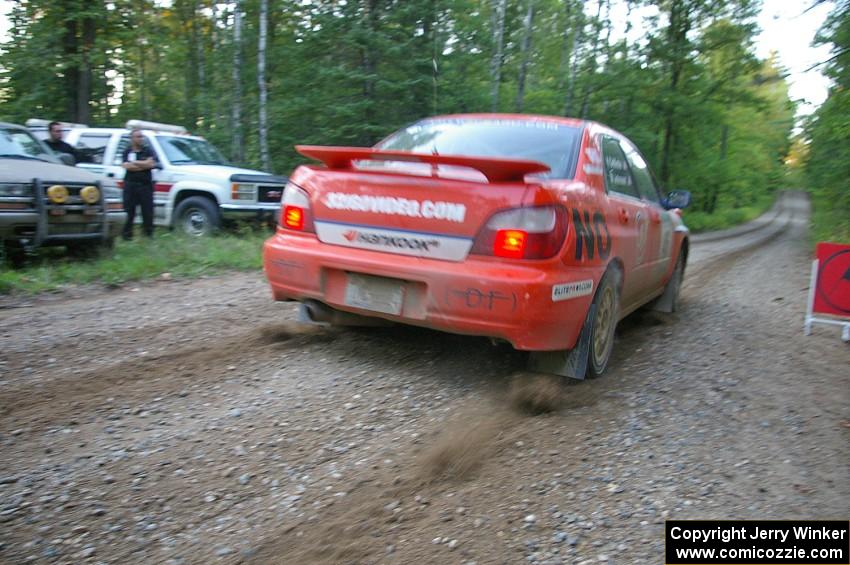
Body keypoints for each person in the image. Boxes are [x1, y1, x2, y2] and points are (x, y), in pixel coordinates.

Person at [121, 129, 158, 240]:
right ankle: (127, 236)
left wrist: (135, 163)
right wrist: (143, 164)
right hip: (130, 185)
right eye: (138, 136)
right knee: (128, 211)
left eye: (141, 136)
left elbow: (151, 164)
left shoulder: (148, 150)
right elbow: (126, 166)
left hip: (145, 185)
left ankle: (148, 236)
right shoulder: (127, 151)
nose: (140, 139)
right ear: (132, 138)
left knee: (147, 212)